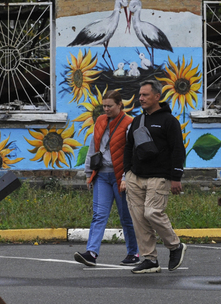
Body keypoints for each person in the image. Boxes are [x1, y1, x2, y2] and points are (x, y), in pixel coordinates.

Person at [120, 80, 186, 274]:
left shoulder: (169, 121)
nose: (141, 98)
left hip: (159, 177)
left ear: (157, 96)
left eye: (145, 95)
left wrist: (176, 177)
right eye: (140, 95)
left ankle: (175, 246)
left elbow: (177, 150)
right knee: (139, 218)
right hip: (136, 177)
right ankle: (150, 259)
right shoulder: (137, 121)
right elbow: (129, 147)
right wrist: (128, 171)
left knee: (152, 213)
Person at [74, 90, 139, 267]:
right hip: (101, 175)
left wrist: (126, 177)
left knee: (126, 217)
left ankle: (134, 253)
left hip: (120, 177)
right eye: (104, 106)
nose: (106, 109)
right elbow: (93, 146)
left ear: (120, 105)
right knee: (99, 215)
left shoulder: (129, 124)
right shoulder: (101, 120)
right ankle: (91, 253)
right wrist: (89, 174)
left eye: (110, 106)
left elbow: (131, 153)